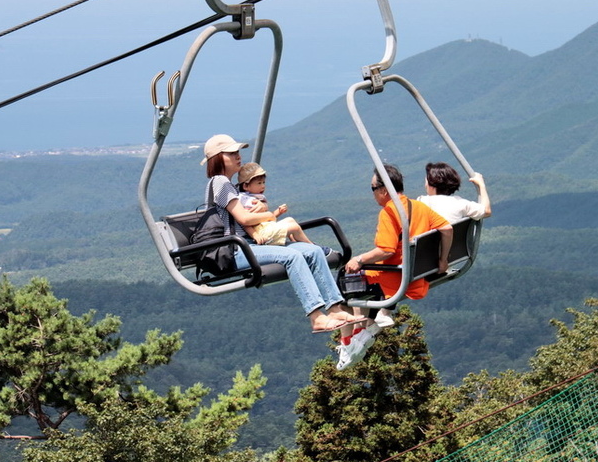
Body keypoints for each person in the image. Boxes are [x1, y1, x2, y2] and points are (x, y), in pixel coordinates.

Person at [201, 134, 362, 334]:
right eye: (231, 153)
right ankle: (316, 316)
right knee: (292, 256)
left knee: (312, 251)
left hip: (253, 245)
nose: (238, 156)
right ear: (218, 158)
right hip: (236, 250)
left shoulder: (233, 187)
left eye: (238, 152)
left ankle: (336, 308)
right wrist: (269, 214)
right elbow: (243, 218)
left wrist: (260, 209)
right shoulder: (219, 182)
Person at [337, 164, 452, 369]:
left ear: (383, 190)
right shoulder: (418, 207)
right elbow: (447, 228)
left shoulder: (390, 212)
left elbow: (386, 250)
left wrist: (359, 259)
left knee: (341, 287)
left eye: (373, 189)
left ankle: (351, 339)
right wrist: (443, 260)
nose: (373, 194)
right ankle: (364, 330)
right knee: (358, 279)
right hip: (416, 274)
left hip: (395, 278)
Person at [236, 162, 316, 246]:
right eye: (259, 183)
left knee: (290, 220)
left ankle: (299, 243)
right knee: (294, 227)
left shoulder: (256, 199)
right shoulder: (247, 201)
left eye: (264, 182)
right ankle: (312, 246)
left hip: (266, 228)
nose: (263, 186)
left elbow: (265, 218)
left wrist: (278, 212)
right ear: (245, 186)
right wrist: (255, 235)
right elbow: (246, 222)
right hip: (262, 233)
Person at [418, 162, 492, 221]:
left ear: (432, 185)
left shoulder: (422, 202)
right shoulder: (461, 203)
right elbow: (487, 211)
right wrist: (481, 185)